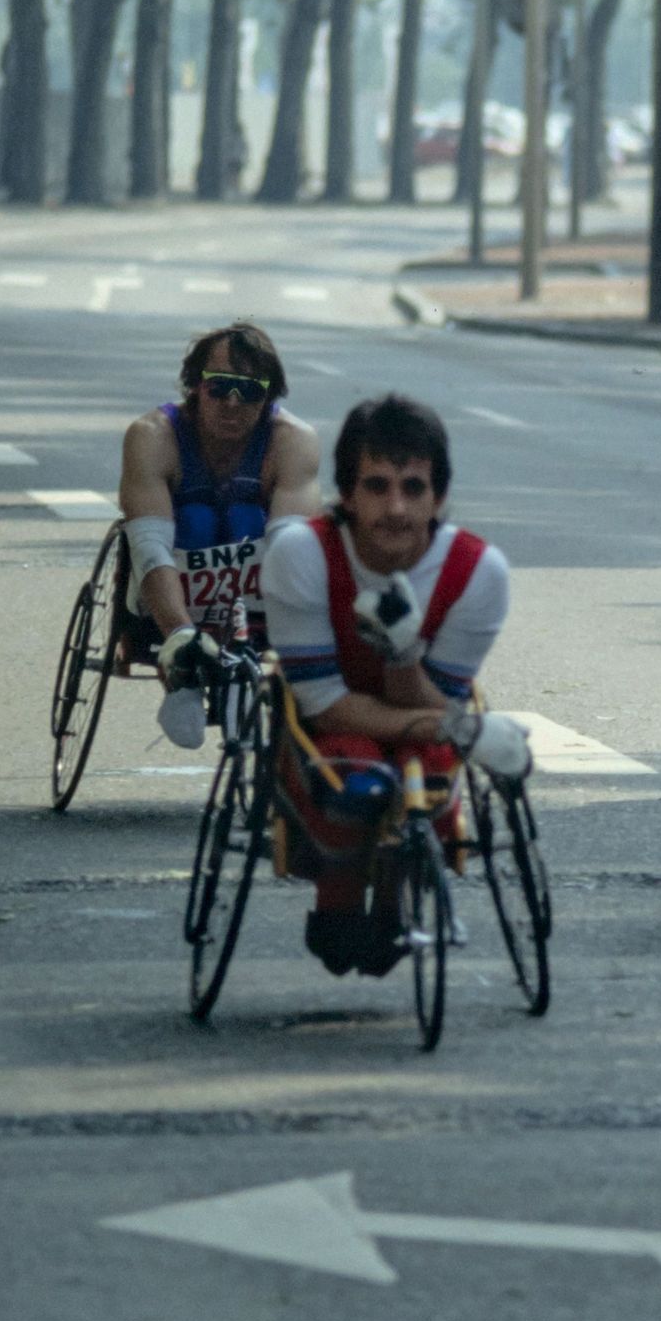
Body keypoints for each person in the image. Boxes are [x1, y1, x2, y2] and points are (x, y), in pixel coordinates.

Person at [261, 394, 531, 976]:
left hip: (421, 720)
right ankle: (334, 907)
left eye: (414, 487)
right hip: (329, 727)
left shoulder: (479, 573)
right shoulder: (300, 554)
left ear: (439, 497)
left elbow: (432, 695)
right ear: (348, 495)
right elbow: (326, 707)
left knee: (426, 771)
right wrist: (455, 725)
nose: (397, 508)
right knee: (355, 771)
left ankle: (394, 908)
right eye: (377, 486)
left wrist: (404, 655)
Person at [117, 322, 322, 750]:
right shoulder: (153, 437)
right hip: (174, 584)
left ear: (268, 397)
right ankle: (184, 675)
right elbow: (150, 546)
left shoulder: (293, 441)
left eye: (249, 390)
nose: (233, 402)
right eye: (220, 386)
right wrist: (179, 636)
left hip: (254, 595)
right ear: (195, 386)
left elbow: (289, 548)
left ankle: (237, 669)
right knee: (196, 520)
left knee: (251, 519)